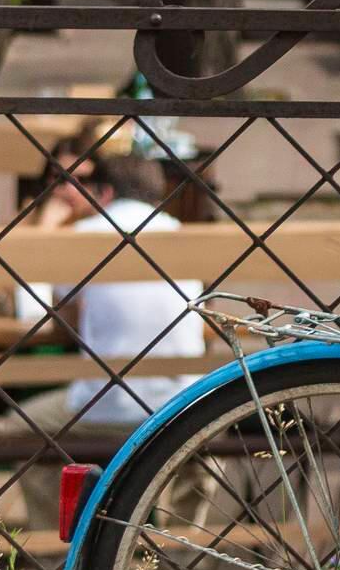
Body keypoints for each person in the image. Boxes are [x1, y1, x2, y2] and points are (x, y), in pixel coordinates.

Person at [15, 131, 206, 428]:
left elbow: (35, 311)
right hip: (183, 406)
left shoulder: (88, 236)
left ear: (104, 192)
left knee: (13, 429)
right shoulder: (180, 233)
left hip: (109, 406)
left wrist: (47, 228)